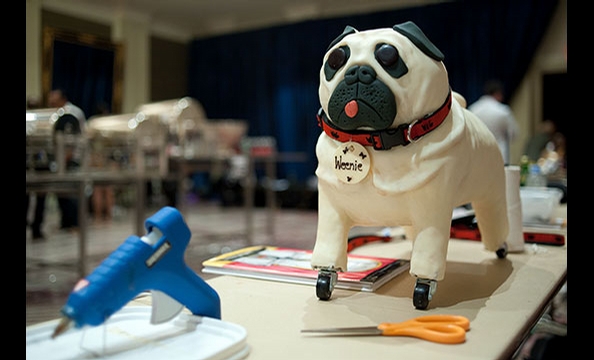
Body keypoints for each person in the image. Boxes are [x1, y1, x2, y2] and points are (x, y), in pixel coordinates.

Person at [47, 88, 87, 230]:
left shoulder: (72, 113)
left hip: (72, 158)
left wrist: (67, 156)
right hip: (59, 159)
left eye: (54, 101)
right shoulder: (56, 114)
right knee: (61, 192)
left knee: (71, 192)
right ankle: (66, 222)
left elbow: (74, 137)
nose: (52, 103)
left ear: (62, 99)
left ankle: (75, 223)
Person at [468, 79, 519, 165]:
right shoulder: (503, 111)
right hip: (500, 156)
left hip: (478, 157)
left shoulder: (472, 110)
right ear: (498, 94)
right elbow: (514, 134)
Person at [26, 96, 48, 240]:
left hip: (40, 164)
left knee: (40, 199)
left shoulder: (44, 122)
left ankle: (37, 228)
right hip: (29, 164)